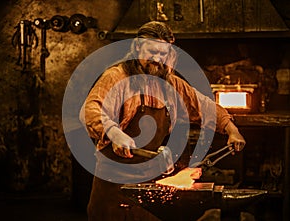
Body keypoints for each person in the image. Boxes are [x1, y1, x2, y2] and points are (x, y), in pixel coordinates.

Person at [80, 21, 246, 221]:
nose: (157, 59)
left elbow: (205, 107)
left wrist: (231, 128)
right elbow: (90, 110)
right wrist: (114, 133)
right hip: (113, 180)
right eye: (152, 51)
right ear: (138, 47)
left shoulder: (171, 83)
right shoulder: (116, 77)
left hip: (148, 179)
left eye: (163, 54)